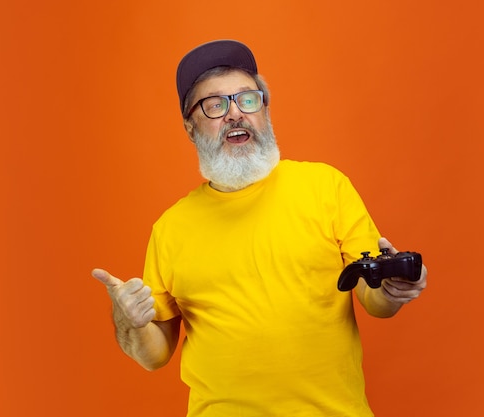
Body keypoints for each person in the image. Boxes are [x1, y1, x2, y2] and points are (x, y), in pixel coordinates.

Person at [92, 39, 427, 417]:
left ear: (264, 109)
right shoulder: (170, 229)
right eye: (215, 105)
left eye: (248, 99)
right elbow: (154, 355)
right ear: (190, 126)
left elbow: (374, 299)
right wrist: (129, 322)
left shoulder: (326, 188)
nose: (235, 114)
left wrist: (392, 291)